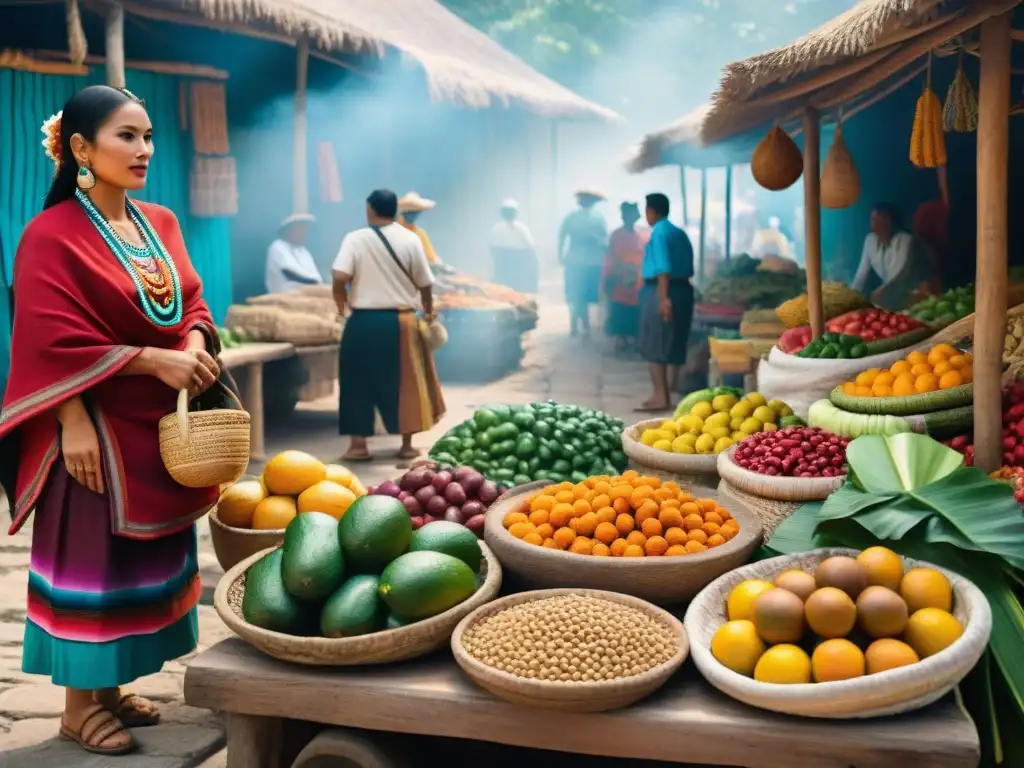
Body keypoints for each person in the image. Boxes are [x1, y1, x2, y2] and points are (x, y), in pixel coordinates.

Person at [0, 86, 223, 755]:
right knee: (91, 562)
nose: (145, 149)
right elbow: (45, 340)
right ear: (79, 148)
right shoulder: (50, 234)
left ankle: (113, 684)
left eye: (149, 135)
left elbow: (192, 303)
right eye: (127, 136)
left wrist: (192, 346)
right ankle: (76, 706)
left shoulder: (162, 222)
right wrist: (71, 418)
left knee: (143, 563)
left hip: (159, 432)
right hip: (91, 429)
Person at [332, 189, 445, 461]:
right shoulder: (410, 239)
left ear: (370, 209)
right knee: (406, 382)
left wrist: (341, 306)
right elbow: (426, 284)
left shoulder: (354, 239)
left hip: (361, 321)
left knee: (355, 381)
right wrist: (428, 312)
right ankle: (406, 446)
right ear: (395, 210)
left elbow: (339, 276)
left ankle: (358, 445)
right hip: (401, 321)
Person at [637, 193, 695, 411]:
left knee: (656, 344)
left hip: (663, 290)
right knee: (675, 341)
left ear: (653, 211)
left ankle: (661, 396)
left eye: (647, 210)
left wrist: (663, 299)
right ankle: (669, 391)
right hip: (683, 290)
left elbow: (663, 268)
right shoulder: (678, 232)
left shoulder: (659, 232)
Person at [852, 203, 930, 310]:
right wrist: (852, 295)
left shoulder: (905, 240)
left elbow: (897, 275)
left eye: (875, 219)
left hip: (911, 294)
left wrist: (878, 295)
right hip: (889, 295)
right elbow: (862, 273)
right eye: (872, 219)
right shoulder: (870, 240)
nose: (872, 223)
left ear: (887, 220)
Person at [558, 187, 608, 337]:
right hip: (591, 262)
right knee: (584, 294)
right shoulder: (598, 218)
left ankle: (575, 324)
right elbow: (604, 240)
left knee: (575, 294)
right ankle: (583, 324)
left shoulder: (570, 217)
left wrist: (561, 256)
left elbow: (561, 238)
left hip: (575, 261)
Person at [602, 201, 648, 352]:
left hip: (638, 279)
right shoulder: (617, 235)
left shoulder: (641, 235)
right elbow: (612, 256)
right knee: (620, 309)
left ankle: (634, 339)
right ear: (624, 217)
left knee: (636, 310)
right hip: (621, 277)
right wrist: (620, 272)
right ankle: (621, 338)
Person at [264, 213, 322, 294]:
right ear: (288, 230)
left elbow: (315, 277)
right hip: (284, 295)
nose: (303, 232)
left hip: (307, 294)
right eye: (299, 229)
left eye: (304, 229)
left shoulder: (303, 251)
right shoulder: (278, 246)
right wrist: (313, 284)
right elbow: (289, 273)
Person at [489, 199, 538, 293]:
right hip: (515, 259)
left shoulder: (497, 228)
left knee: (507, 285)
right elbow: (530, 245)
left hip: (506, 259)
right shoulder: (521, 228)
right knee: (515, 285)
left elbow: (492, 247)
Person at [398, 191, 441, 264]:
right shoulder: (393, 230)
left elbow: (432, 257)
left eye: (415, 211)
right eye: (410, 212)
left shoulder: (420, 234)